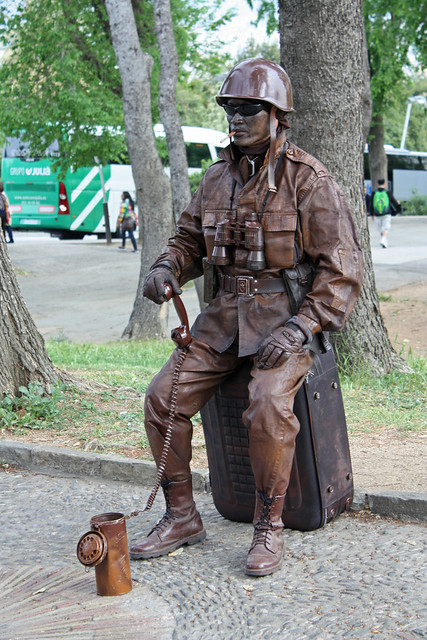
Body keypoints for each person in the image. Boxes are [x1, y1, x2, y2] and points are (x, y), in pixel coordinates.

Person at [130, 58, 363, 576]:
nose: (237, 119)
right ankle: (182, 516)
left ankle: (268, 525)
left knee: (266, 404)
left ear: (277, 115)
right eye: (231, 110)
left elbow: (342, 270)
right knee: (161, 397)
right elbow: (189, 238)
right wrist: (167, 267)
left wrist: (303, 325)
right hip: (222, 318)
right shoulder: (216, 178)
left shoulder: (309, 180)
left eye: (249, 109)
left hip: (286, 321)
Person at [370, 178, 400, 248]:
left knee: (380, 229)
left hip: (377, 214)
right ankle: (383, 240)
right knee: (386, 228)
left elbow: (371, 204)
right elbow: (394, 202)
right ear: (384, 184)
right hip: (387, 213)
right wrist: (398, 205)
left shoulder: (374, 193)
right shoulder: (388, 192)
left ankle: (384, 241)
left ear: (377, 184)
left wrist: (372, 213)